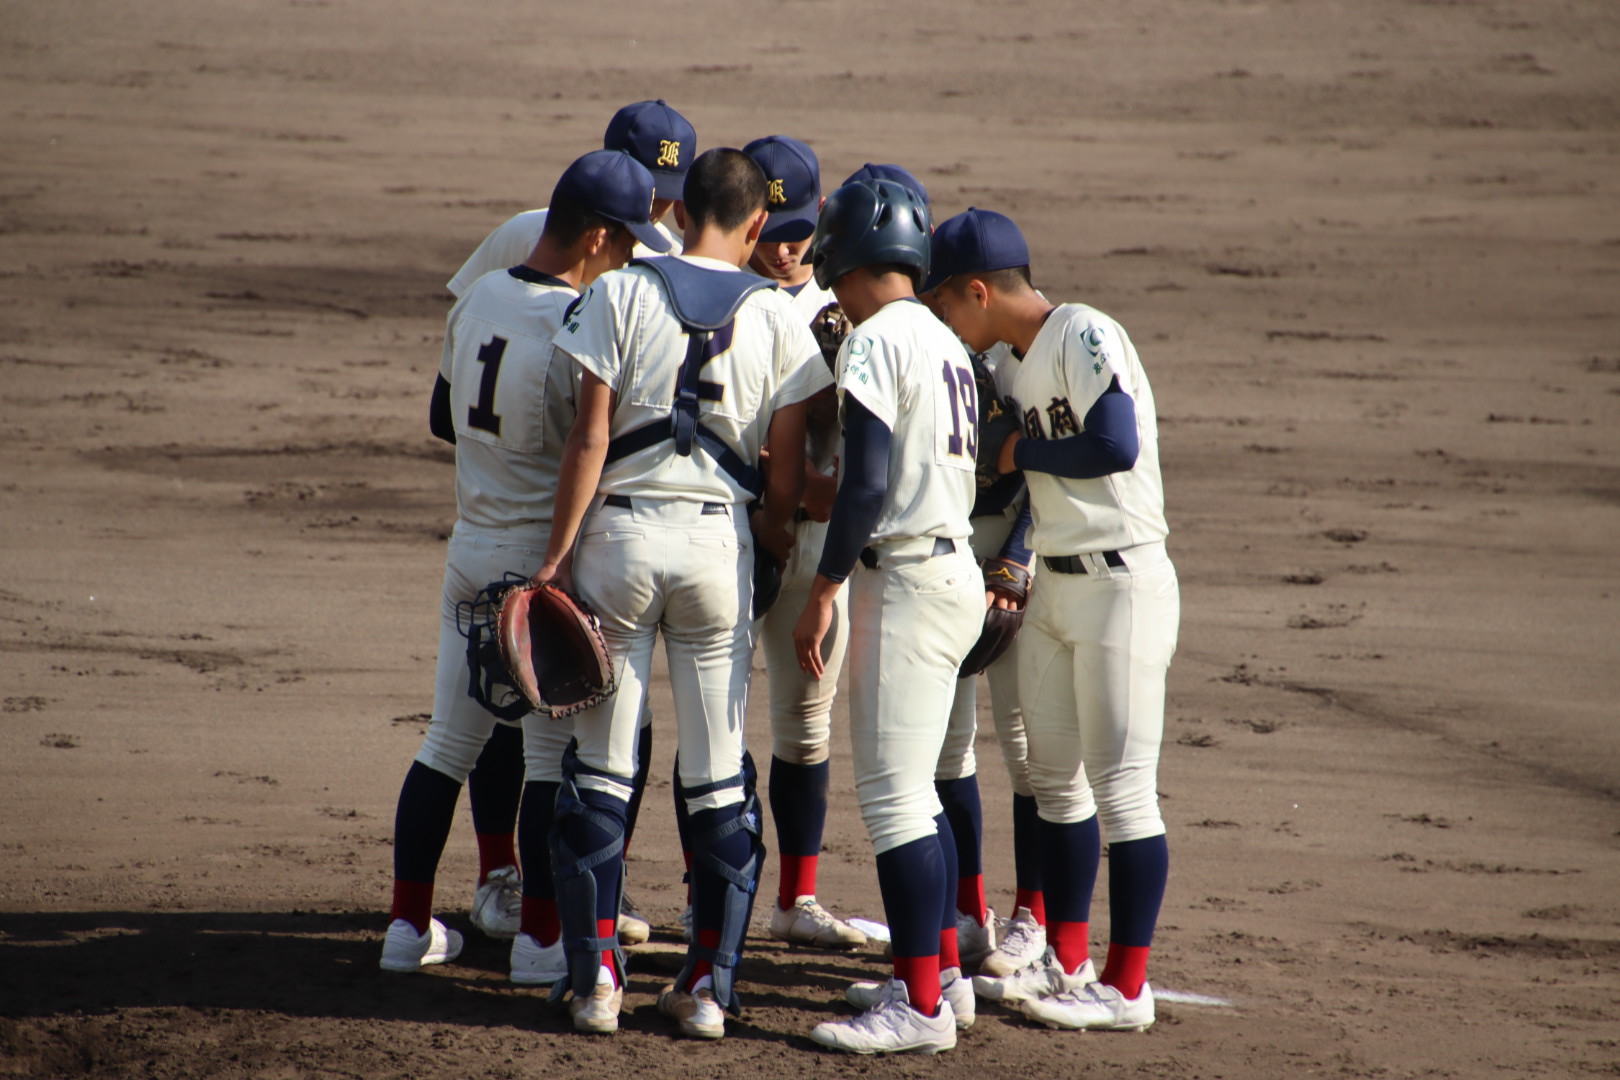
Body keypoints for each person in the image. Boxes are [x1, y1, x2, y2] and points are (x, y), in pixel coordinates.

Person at [532, 147, 829, 1038]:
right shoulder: (779, 314)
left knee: (599, 767)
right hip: (715, 547)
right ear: (751, 227)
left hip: (619, 538)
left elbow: (587, 441)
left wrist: (554, 561)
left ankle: (596, 987)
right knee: (715, 773)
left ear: (681, 209)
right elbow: (787, 472)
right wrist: (772, 540)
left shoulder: (620, 292)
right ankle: (706, 988)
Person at [378, 150, 669, 975]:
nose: (630, 258)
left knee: (445, 745)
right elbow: (595, 446)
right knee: (547, 759)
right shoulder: (576, 323)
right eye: (628, 243)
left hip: (469, 550)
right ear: (599, 237)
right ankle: (541, 941)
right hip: (538, 569)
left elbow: (443, 418)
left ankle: (406, 929)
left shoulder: (480, 295)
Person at [443, 98, 700, 946]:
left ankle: (584, 890)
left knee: (594, 715)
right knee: (524, 716)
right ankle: (505, 881)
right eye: (647, 191)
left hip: (546, 522)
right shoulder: (533, 239)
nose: (657, 211)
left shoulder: (653, 251)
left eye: (669, 189)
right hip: (554, 520)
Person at [926, 208, 1179, 1032]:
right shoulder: (1008, 364)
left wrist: (1017, 452)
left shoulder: (1081, 332)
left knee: (1123, 793)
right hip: (1056, 593)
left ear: (978, 290)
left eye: (946, 302)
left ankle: (1128, 987)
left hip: (1123, 584)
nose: (944, 319)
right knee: (1057, 784)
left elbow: (1115, 442)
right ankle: (1071, 964)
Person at [793, 179, 985, 1054]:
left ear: (845, 257)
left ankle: (920, 1009)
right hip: (957, 578)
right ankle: (937, 974)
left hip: (906, 581)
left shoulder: (874, 342)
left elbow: (867, 485)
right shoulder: (946, 343)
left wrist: (825, 587)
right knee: (924, 793)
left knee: (898, 797)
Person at [739, 134, 864, 951]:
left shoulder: (846, 315)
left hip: (814, 547)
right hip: (725, 536)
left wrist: (834, 494)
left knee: (805, 725)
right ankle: (700, 896)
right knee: (715, 727)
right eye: (772, 229)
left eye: (799, 230)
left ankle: (796, 899)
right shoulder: (714, 300)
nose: (786, 248)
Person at [447, 100, 695, 299]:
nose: (653, 202)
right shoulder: (524, 233)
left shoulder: (673, 259)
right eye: (642, 184)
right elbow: (464, 321)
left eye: (665, 191)